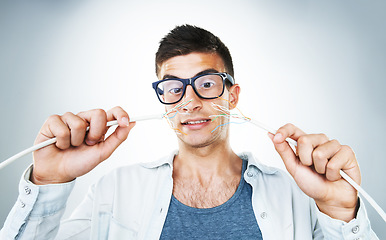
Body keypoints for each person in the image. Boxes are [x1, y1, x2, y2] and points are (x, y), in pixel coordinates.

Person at [0, 25, 378, 239]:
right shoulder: (115, 193)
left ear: (232, 96)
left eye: (207, 83)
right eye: (173, 87)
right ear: (163, 99)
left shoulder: (295, 196)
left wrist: (340, 211)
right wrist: (47, 184)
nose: (190, 101)